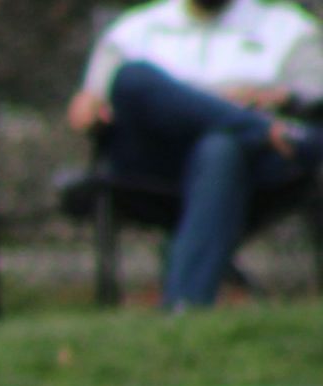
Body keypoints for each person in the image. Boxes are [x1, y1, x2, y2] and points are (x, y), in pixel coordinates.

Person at [65, 0, 323, 310]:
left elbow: (314, 91)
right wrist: (90, 110)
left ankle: (184, 307)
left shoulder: (286, 28)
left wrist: (269, 95)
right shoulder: (134, 30)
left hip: (251, 167)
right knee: (133, 79)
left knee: (219, 147)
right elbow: (88, 104)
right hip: (156, 164)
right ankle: (255, 127)